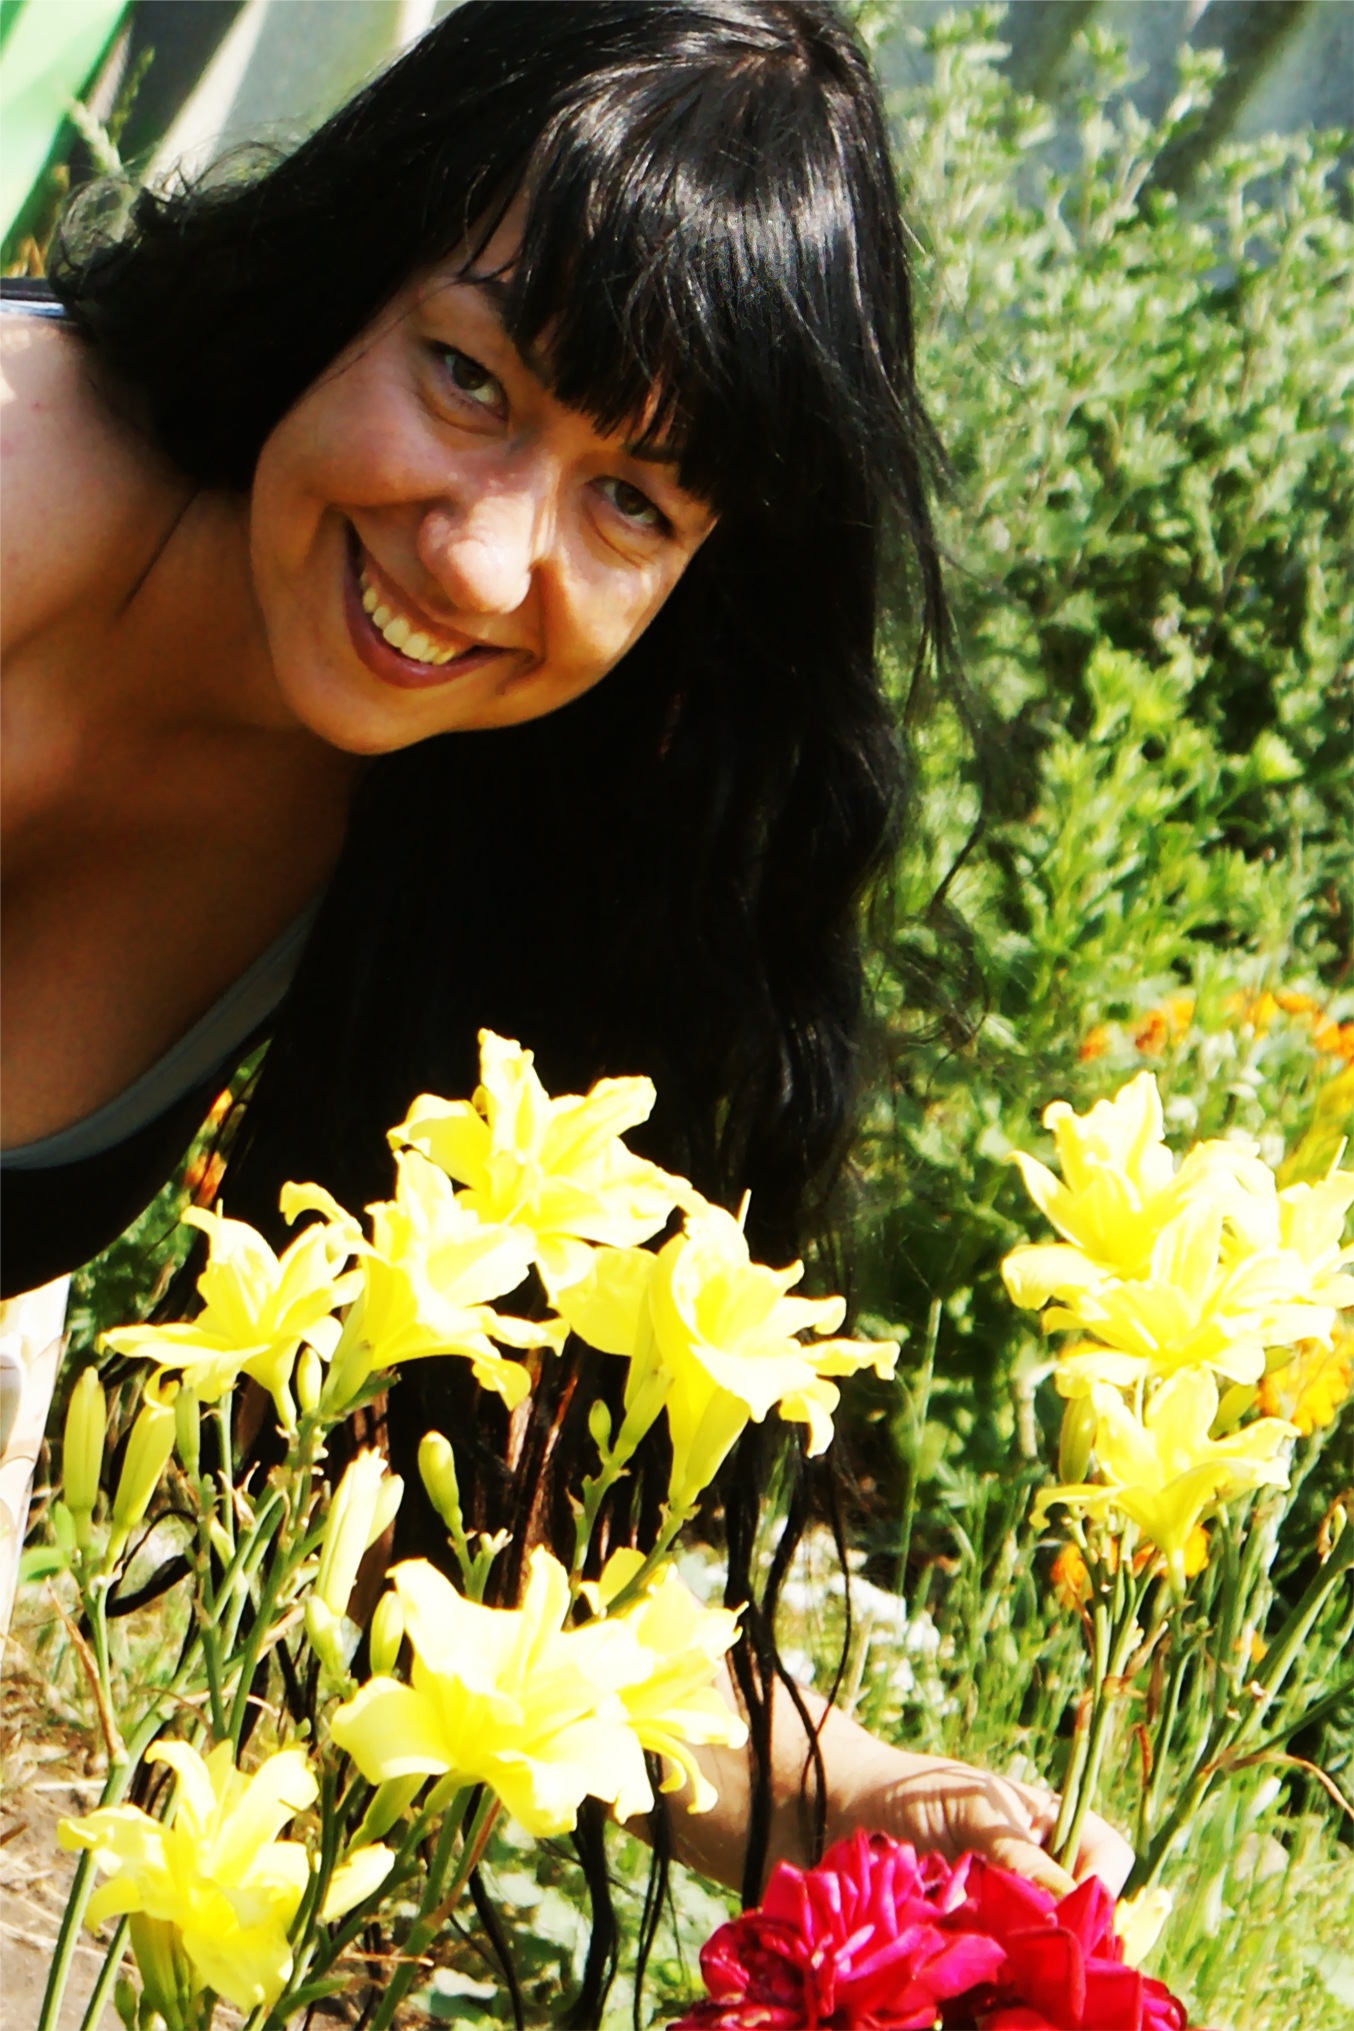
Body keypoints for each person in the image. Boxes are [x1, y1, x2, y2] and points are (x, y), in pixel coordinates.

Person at [0, 0, 1131, 2002]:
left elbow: (440, 1553)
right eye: (468, 377)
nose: (483, 558)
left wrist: (841, 1791)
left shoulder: (449, 828)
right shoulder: (17, 467)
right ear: (351, 274)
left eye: (634, 503)